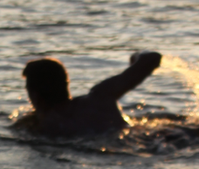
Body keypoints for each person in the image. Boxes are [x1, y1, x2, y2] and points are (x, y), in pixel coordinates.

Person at [12, 51, 162, 137]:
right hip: (153, 138)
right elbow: (152, 58)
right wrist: (135, 57)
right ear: (65, 83)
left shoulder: (42, 128)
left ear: (35, 96)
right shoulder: (100, 97)